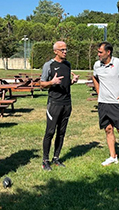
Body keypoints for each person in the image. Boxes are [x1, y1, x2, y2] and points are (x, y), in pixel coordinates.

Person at [92, 41, 119, 168]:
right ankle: (113, 156)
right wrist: (98, 91)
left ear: (108, 52)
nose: (98, 54)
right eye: (98, 52)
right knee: (108, 129)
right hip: (103, 103)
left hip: (116, 103)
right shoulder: (97, 65)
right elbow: (94, 77)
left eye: (100, 52)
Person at [40, 41, 79, 171]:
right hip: (54, 103)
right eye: (62, 50)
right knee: (50, 132)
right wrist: (52, 82)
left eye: (66, 49)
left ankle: (56, 158)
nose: (65, 52)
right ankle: (45, 160)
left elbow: (65, 83)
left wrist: (72, 82)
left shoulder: (68, 65)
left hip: (67, 103)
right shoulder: (49, 65)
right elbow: (41, 84)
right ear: (55, 51)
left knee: (61, 133)